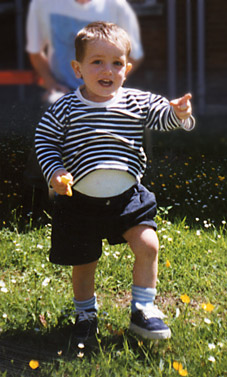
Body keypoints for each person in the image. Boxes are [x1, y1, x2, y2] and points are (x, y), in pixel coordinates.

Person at [35, 21, 195, 342]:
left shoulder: (136, 101)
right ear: (77, 69)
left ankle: (143, 310)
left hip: (127, 195)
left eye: (117, 63)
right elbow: (46, 140)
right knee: (85, 260)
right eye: (97, 62)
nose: (108, 70)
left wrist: (178, 113)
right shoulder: (66, 108)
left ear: (127, 68)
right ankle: (85, 314)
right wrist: (54, 173)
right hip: (80, 199)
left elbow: (162, 117)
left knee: (148, 245)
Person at [26, 0, 144, 104]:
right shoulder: (41, 3)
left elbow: (135, 55)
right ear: (76, 68)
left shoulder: (117, 5)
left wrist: (107, 85)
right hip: (61, 94)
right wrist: (50, 83)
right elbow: (35, 52)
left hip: (106, 97)